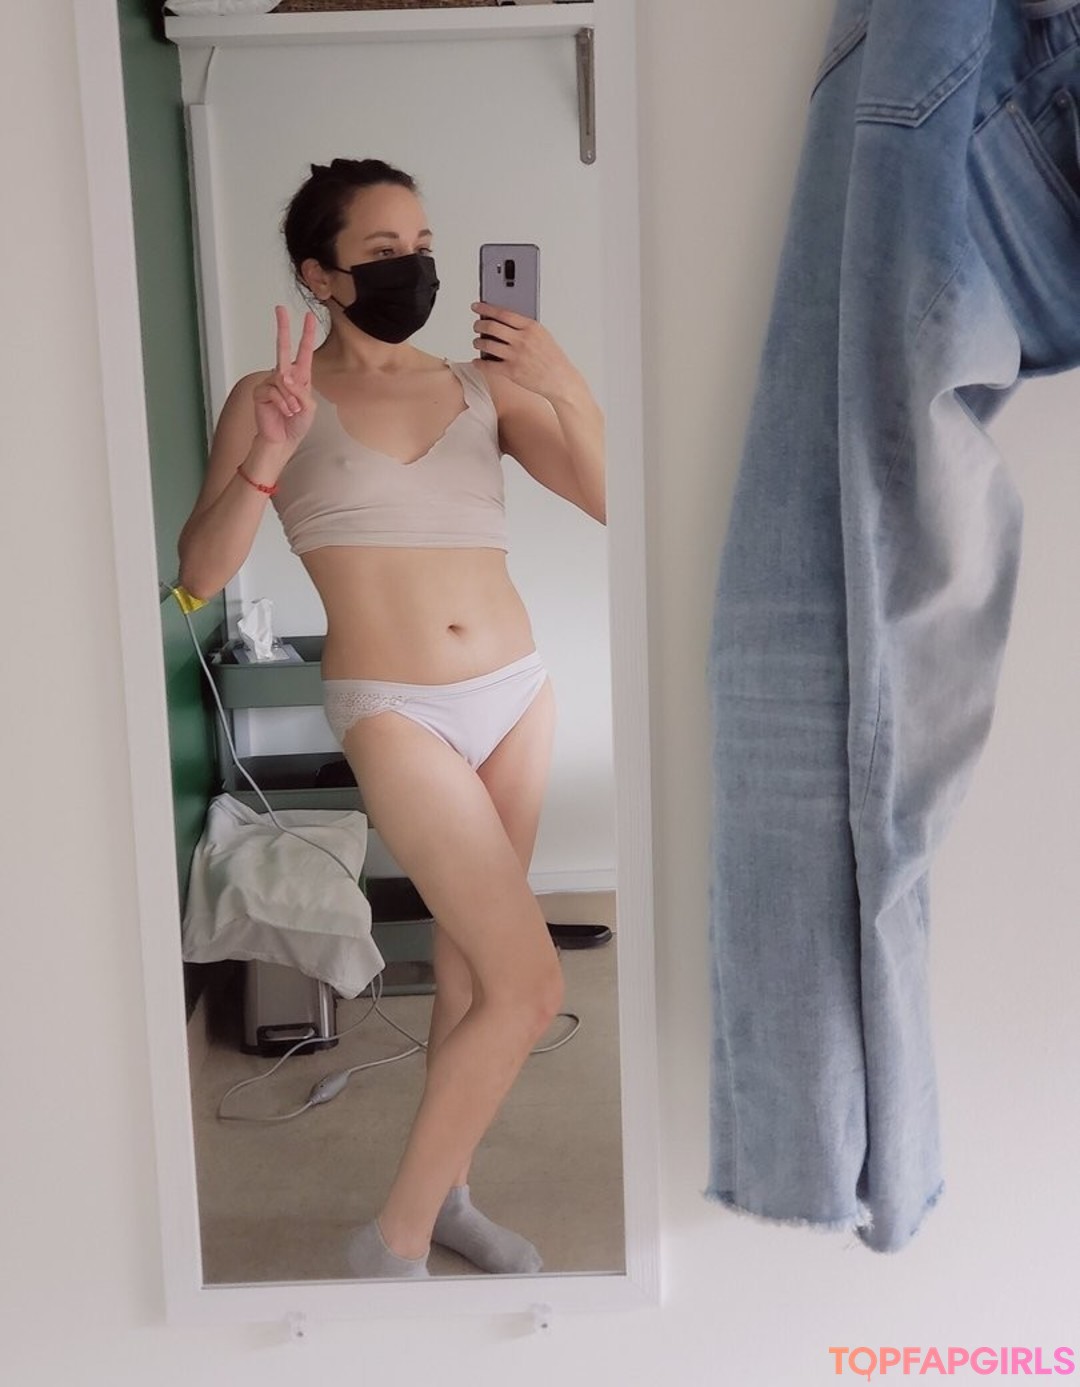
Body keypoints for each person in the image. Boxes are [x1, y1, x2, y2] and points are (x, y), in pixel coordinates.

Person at [177, 157, 606, 1279]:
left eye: (421, 245)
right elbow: (199, 574)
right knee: (531, 986)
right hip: (395, 708)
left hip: (516, 695)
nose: (412, 266)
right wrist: (267, 460)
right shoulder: (272, 398)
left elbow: (620, 500)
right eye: (381, 252)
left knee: (473, 977)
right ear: (319, 275)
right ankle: (393, 1243)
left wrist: (563, 383)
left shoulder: (481, 386)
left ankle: (450, 1196)